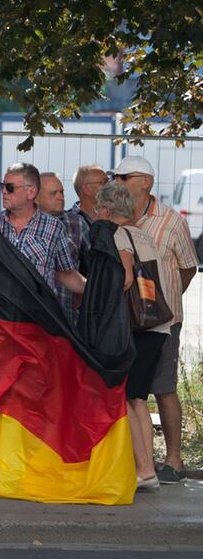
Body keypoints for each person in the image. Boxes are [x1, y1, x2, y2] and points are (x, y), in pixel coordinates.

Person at [111, 156, 198, 484]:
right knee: (131, 391)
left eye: (124, 176)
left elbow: (189, 266)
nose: (118, 181)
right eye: (117, 177)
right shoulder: (117, 217)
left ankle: (173, 460)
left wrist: (166, 299)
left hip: (163, 321)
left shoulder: (171, 221)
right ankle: (137, 461)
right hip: (126, 322)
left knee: (163, 387)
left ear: (145, 181)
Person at [93, 183, 171, 491]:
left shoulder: (119, 235)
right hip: (156, 327)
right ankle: (146, 468)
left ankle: (143, 469)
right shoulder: (143, 234)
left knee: (128, 399)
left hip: (138, 328)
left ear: (109, 211)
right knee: (138, 399)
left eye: (99, 209)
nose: (97, 215)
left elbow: (125, 278)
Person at [0, 163, 86, 309]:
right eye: (2, 186)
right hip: (0, 317)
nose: (4, 192)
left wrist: (97, 289)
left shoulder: (53, 227)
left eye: (10, 187)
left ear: (31, 192)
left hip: (38, 319)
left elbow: (66, 273)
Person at [37, 171, 81, 324]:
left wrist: (85, 292)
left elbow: (93, 259)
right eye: (53, 193)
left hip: (65, 313)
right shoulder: (17, 225)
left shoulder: (76, 223)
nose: (61, 197)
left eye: (62, 192)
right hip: (28, 312)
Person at [69, 164, 109, 254]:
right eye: (104, 182)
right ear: (87, 189)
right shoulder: (70, 223)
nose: (110, 187)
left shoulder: (113, 216)